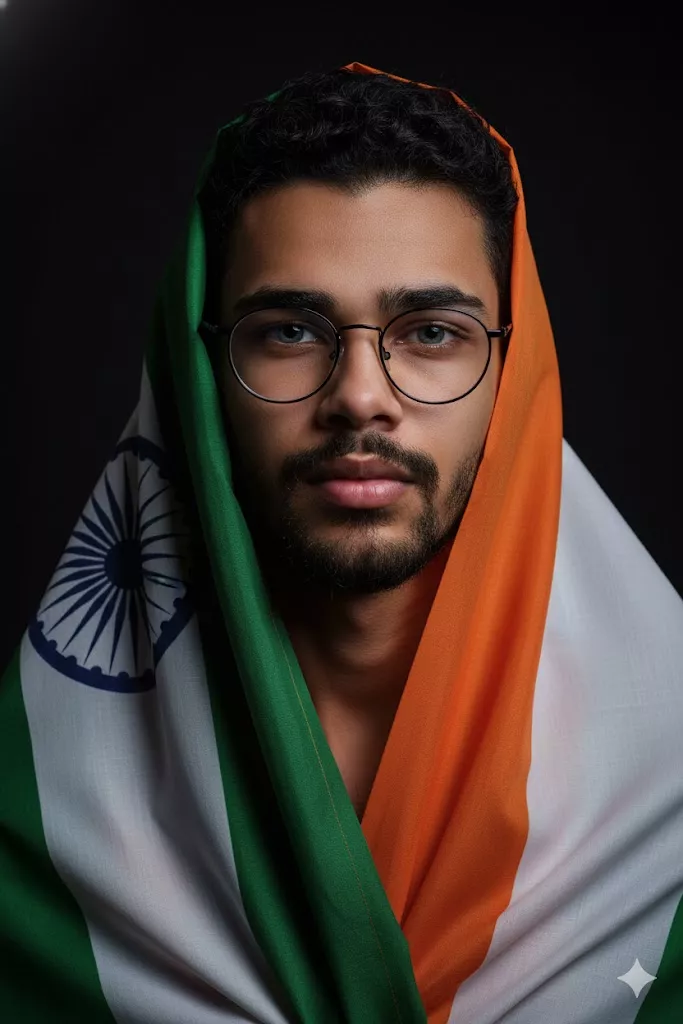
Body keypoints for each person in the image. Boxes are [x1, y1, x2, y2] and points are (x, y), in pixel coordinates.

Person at [1, 61, 681, 1024]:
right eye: (287, 330)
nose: (360, 395)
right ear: (200, 374)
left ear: (512, 367)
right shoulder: (28, 825)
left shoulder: (670, 799)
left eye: (432, 331)